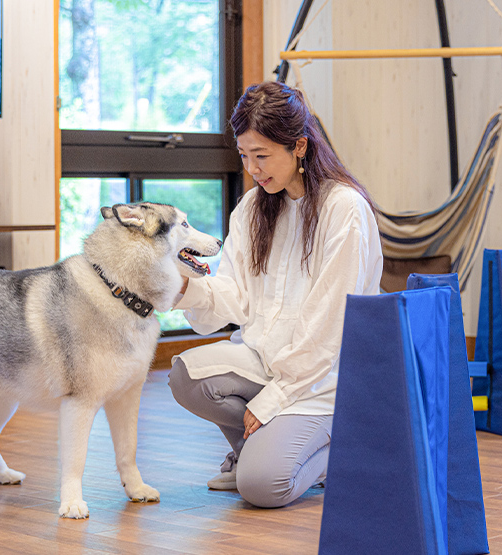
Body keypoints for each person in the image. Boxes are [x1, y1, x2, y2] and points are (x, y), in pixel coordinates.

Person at [168, 81, 383, 508]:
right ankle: (254, 451)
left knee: (262, 487)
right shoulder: (253, 207)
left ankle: (342, 449)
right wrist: (185, 290)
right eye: (245, 156)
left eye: (262, 155)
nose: (253, 168)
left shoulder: (344, 209)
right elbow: (236, 297)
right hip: (268, 361)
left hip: (327, 378)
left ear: (299, 146)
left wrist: (275, 399)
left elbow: (329, 327)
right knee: (185, 377)